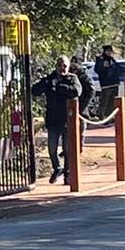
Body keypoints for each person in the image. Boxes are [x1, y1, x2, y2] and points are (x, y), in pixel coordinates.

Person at [32, 56, 85, 187]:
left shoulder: (73, 79)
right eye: (60, 65)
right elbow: (35, 91)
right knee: (52, 149)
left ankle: (68, 174)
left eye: (65, 66)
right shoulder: (50, 79)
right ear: (56, 66)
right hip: (53, 120)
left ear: (68, 67)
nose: (62, 68)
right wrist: (48, 84)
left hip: (68, 120)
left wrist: (59, 87)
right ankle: (57, 168)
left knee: (67, 149)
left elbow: (76, 91)